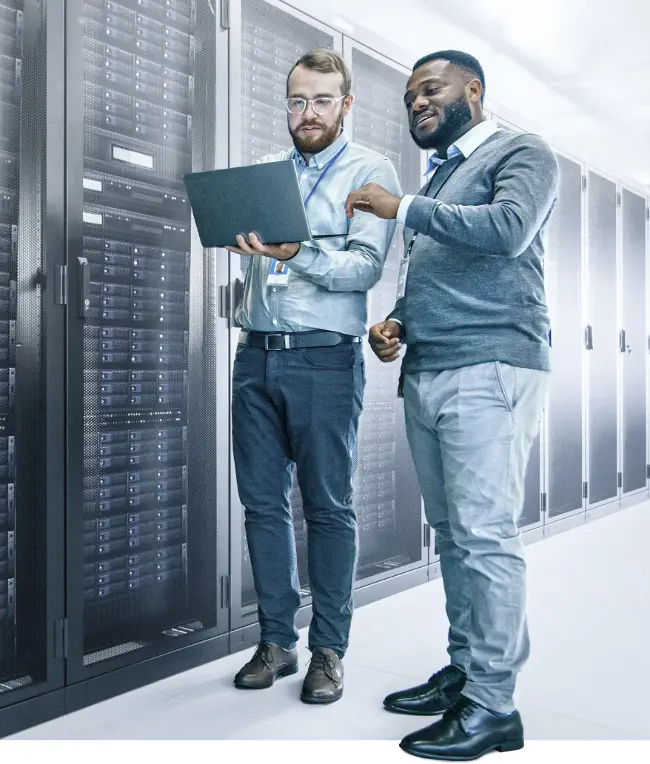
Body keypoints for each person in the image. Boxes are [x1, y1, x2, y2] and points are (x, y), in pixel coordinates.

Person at [345, 50, 559, 759]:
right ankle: (467, 671)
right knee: (456, 535)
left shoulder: (522, 151)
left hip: (491, 365)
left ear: (474, 89)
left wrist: (402, 206)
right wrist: (398, 321)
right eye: (409, 98)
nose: (417, 105)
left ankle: (494, 707)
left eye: (429, 90)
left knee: (486, 536)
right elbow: (434, 270)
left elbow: (507, 231)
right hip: (431, 369)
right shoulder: (440, 177)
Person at [226, 48, 401, 705]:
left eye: (322, 100)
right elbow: (259, 260)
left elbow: (362, 270)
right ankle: (276, 641)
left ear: (345, 105)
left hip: (325, 357)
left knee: (328, 507)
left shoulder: (369, 172)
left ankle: (329, 650)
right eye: (298, 100)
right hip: (256, 354)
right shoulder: (269, 174)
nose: (307, 113)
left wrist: (296, 252)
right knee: (261, 505)